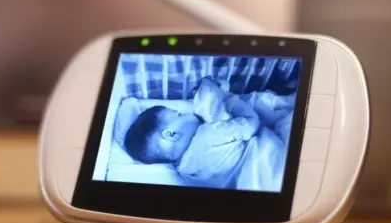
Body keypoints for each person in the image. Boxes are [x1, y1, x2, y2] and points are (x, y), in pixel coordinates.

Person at [124, 78, 290, 192]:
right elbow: (252, 122)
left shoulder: (186, 174)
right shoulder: (206, 134)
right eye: (179, 114)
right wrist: (228, 99)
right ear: (172, 134)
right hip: (274, 165)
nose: (188, 114)